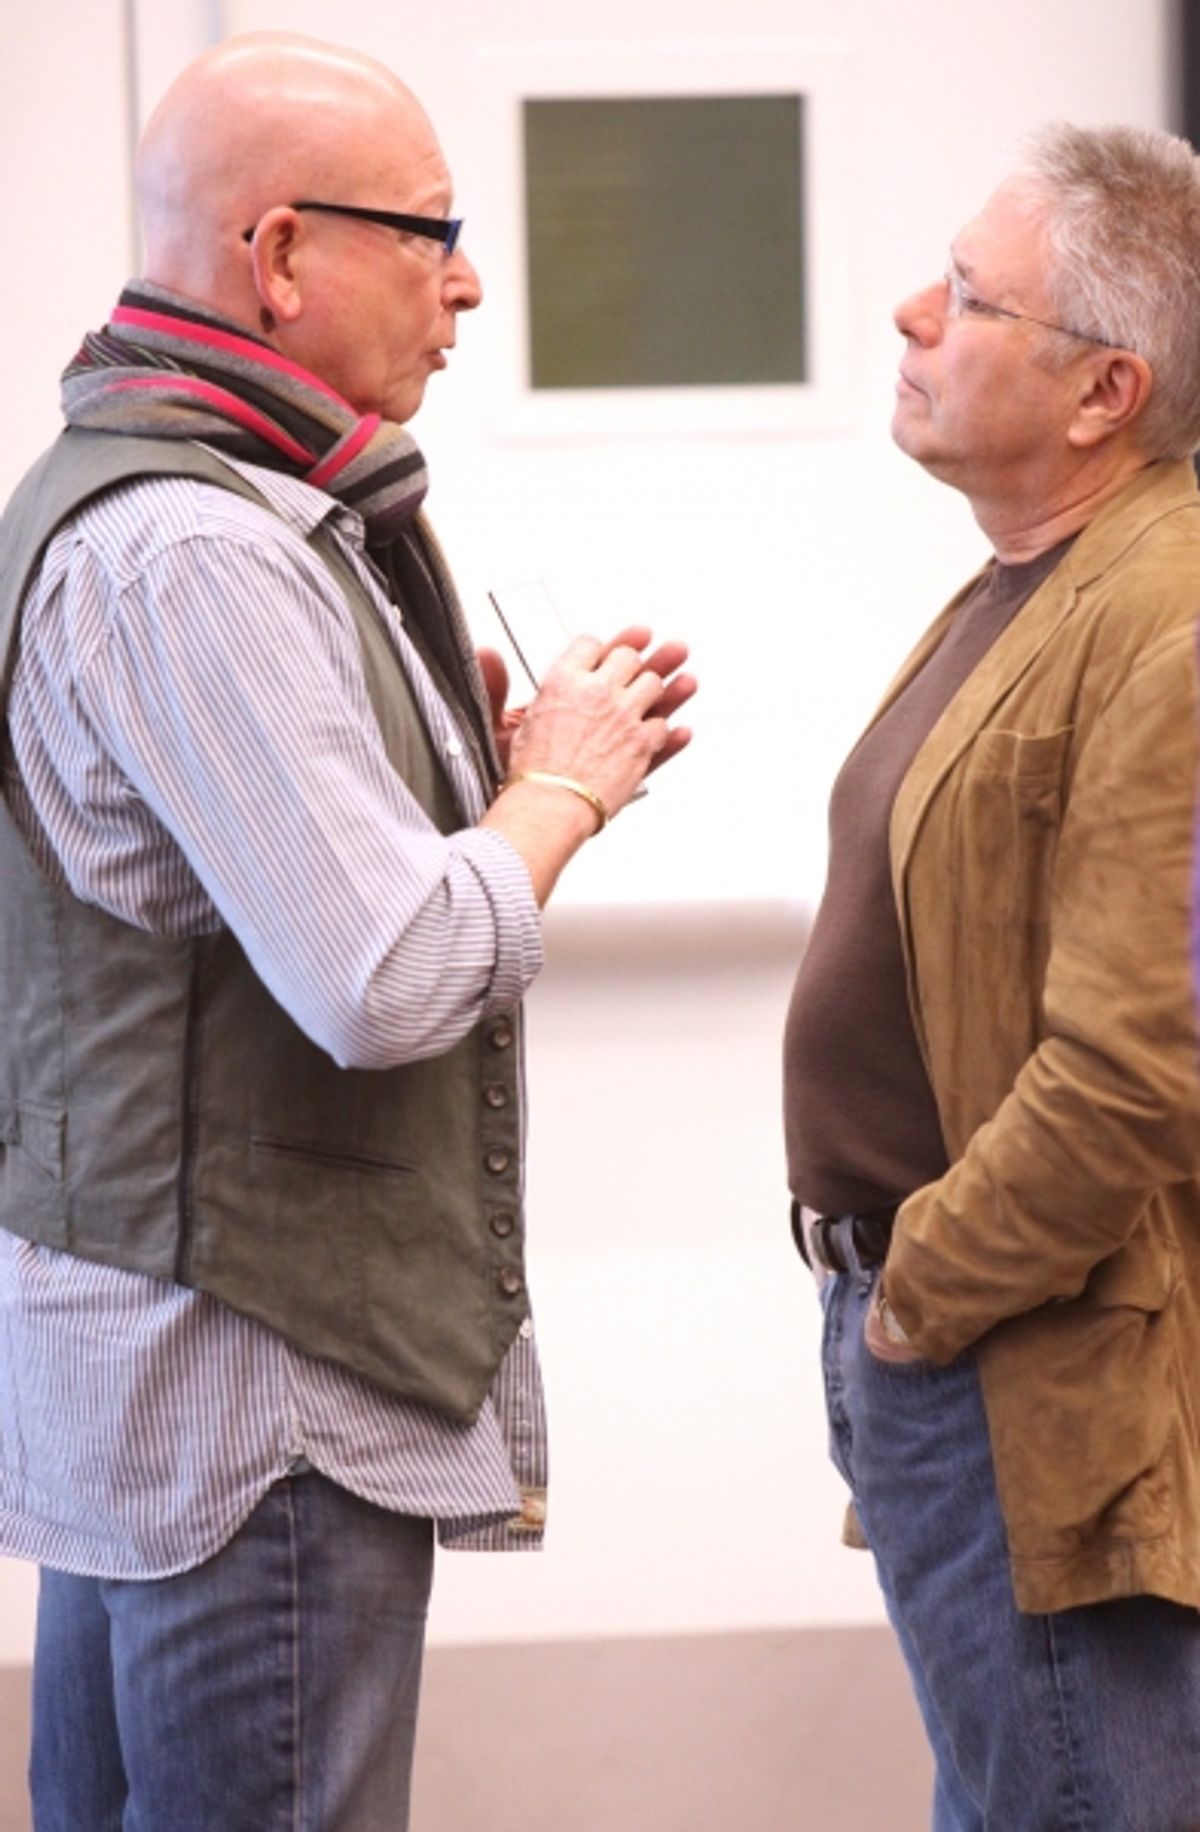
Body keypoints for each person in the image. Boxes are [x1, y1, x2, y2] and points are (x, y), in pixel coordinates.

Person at [0, 31, 695, 1832]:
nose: (466, 282)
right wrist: (566, 787)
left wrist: (427, 758)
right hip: (259, 1410)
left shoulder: (193, 510)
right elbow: (382, 976)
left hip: (185, 1396)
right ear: (282, 254)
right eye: (431, 231)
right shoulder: (199, 552)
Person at [783, 122, 1200, 1830]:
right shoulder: (1042, 580)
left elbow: (1134, 1068)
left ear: (1105, 392)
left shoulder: (1169, 616)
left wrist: (919, 1295)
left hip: (1028, 1358)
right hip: (942, 1339)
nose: (909, 313)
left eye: (967, 298)